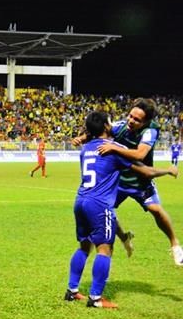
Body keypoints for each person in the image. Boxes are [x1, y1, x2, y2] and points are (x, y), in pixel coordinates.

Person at [66, 112, 177, 308]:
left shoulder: (86, 149)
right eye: (109, 121)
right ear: (107, 127)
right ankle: (96, 299)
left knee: (84, 245)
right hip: (99, 205)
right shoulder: (114, 149)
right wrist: (167, 170)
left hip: (80, 201)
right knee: (105, 249)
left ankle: (72, 291)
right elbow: (145, 171)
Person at [98, 98, 183, 266]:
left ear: (146, 122)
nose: (131, 121)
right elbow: (101, 128)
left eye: (137, 120)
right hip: (119, 181)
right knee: (104, 211)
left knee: (156, 210)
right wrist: (83, 137)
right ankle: (124, 237)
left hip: (141, 181)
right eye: (130, 116)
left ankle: (175, 245)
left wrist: (115, 147)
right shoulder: (121, 126)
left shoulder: (151, 131)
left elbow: (140, 154)